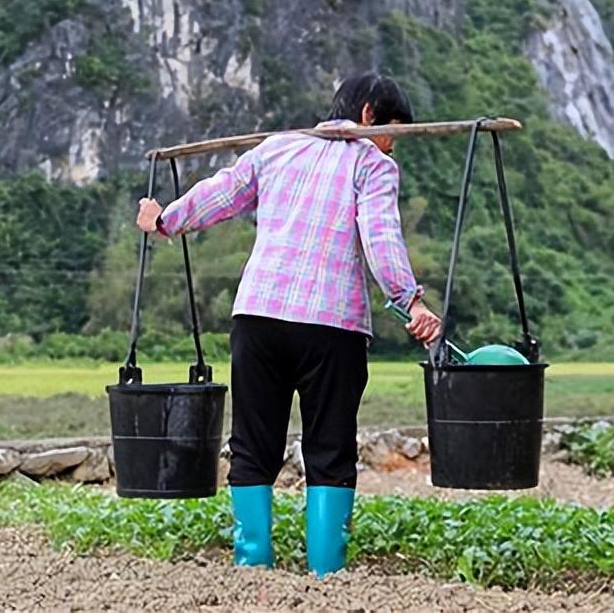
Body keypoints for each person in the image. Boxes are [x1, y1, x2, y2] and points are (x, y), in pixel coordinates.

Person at [135, 72, 442, 577]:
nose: (393, 146)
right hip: (331, 326)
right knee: (329, 447)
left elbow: (219, 195)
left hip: (259, 317)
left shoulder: (276, 149)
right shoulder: (373, 164)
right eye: (392, 132)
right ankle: (326, 573)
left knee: (253, 444)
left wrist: (163, 219)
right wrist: (411, 303)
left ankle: (252, 566)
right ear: (368, 115)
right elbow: (382, 240)